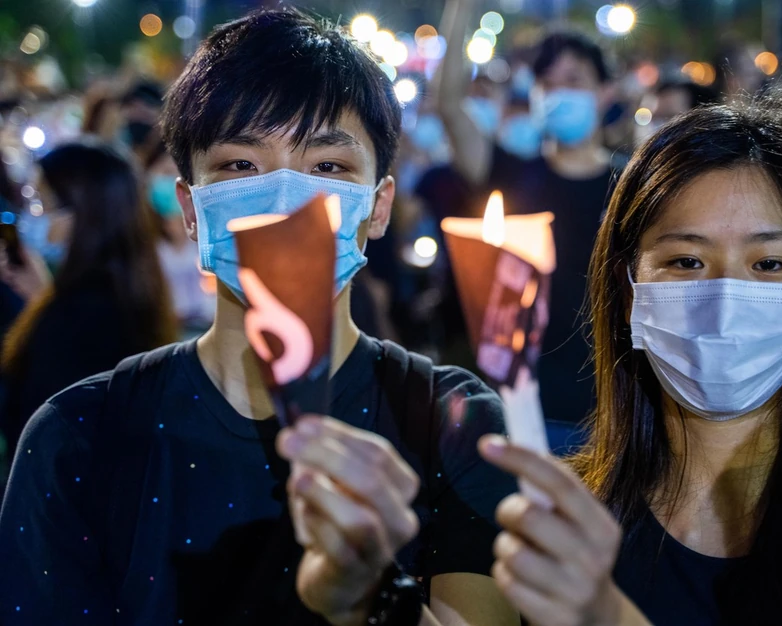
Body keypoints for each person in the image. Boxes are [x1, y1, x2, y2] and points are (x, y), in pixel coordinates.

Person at [0, 10, 518, 625]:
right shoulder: (79, 436)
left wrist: (371, 596)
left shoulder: (452, 422)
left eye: (328, 167)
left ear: (378, 207)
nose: (283, 200)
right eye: (240, 165)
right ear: (191, 209)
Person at [472, 100, 782, 625]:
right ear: (628, 292)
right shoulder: (555, 522)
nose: (723, 299)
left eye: (768, 264)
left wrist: (603, 614)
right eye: (686, 261)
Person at [437, 0, 618, 442]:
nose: (559, 93)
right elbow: (447, 104)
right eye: (547, 83)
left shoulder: (630, 184)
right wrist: (461, 10)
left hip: (608, 411)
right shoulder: (513, 173)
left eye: (574, 81)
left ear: (605, 92)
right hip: (521, 405)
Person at [0, 139, 177, 454]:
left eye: (41, 202)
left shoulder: (81, 313)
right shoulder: (128, 287)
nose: (32, 216)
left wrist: (49, 309)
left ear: (81, 213)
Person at [144, 141, 215, 334]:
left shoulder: (209, 232)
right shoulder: (141, 238)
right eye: (166, 172)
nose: (174, 182)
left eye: (181, 173)